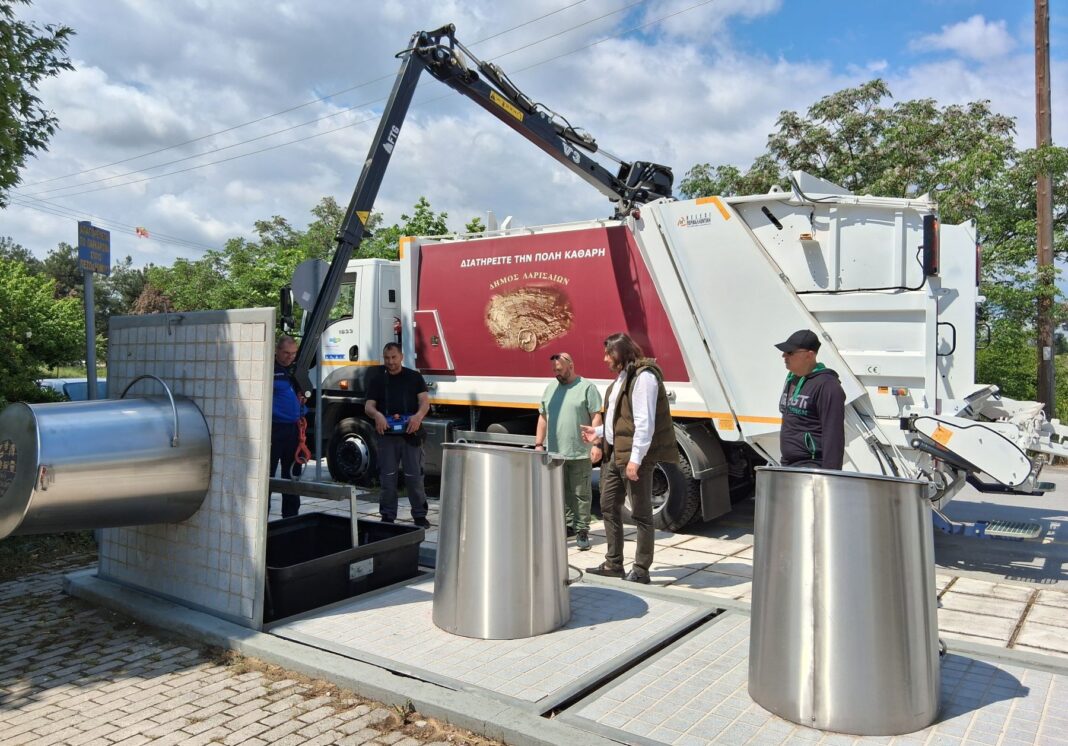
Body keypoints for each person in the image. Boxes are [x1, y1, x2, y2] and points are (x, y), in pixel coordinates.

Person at [581, 333, 676, 584]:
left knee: (642, 515)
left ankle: (641, 570)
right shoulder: (622, 377)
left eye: (608, 354)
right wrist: (598, 433)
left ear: (620, 352)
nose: (604, 359)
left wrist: (636, 460)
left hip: (634, 457)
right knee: (608, 506)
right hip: (614, 455)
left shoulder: (644, 377)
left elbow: (645, 423)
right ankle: (614, 564)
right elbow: (619, 420)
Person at [535, 352, 603, 551]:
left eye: (560, 369)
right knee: (560, 492)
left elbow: (596, 417)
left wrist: (596, 445)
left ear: (571, 366)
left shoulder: (586, 388)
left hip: (579, 451)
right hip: (556, 452)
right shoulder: (550, 389)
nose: (556, 373)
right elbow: (543, 417)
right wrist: (539, 444)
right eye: (554, 370)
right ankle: (567, 526)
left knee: (580, 493)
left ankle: (582, 529)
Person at [365, 343, 432, 528]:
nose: (390, 362)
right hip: (386, 436)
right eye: (387, 358)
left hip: (411, 434)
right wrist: (377, 415)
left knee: (414, 477)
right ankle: (387, 516)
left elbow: (425, 402)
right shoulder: (377, 380)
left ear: (401, 357)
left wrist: (417, 417)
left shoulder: (414, 377)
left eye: (394, 357)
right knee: (387, 478)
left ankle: (419, 515)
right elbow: (368, 406)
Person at [775, 329, 846, 470]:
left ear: (809, 355)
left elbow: (834, 436)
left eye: (790, 352)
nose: (784, 356)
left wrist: (830, 477)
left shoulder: (827, 385)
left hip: (813, 467)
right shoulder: (792, 379)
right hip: (789, 464)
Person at [270, 335, 306, 519]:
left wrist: (302, 405)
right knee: (267, 475)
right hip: (274, 429)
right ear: (277, 351)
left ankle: (291, 516)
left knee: (292, 474)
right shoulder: (269, 369)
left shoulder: (295, 370)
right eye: (286, 353)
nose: (289, 357)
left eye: (293, 353)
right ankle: (262, 518)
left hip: (293, 429)